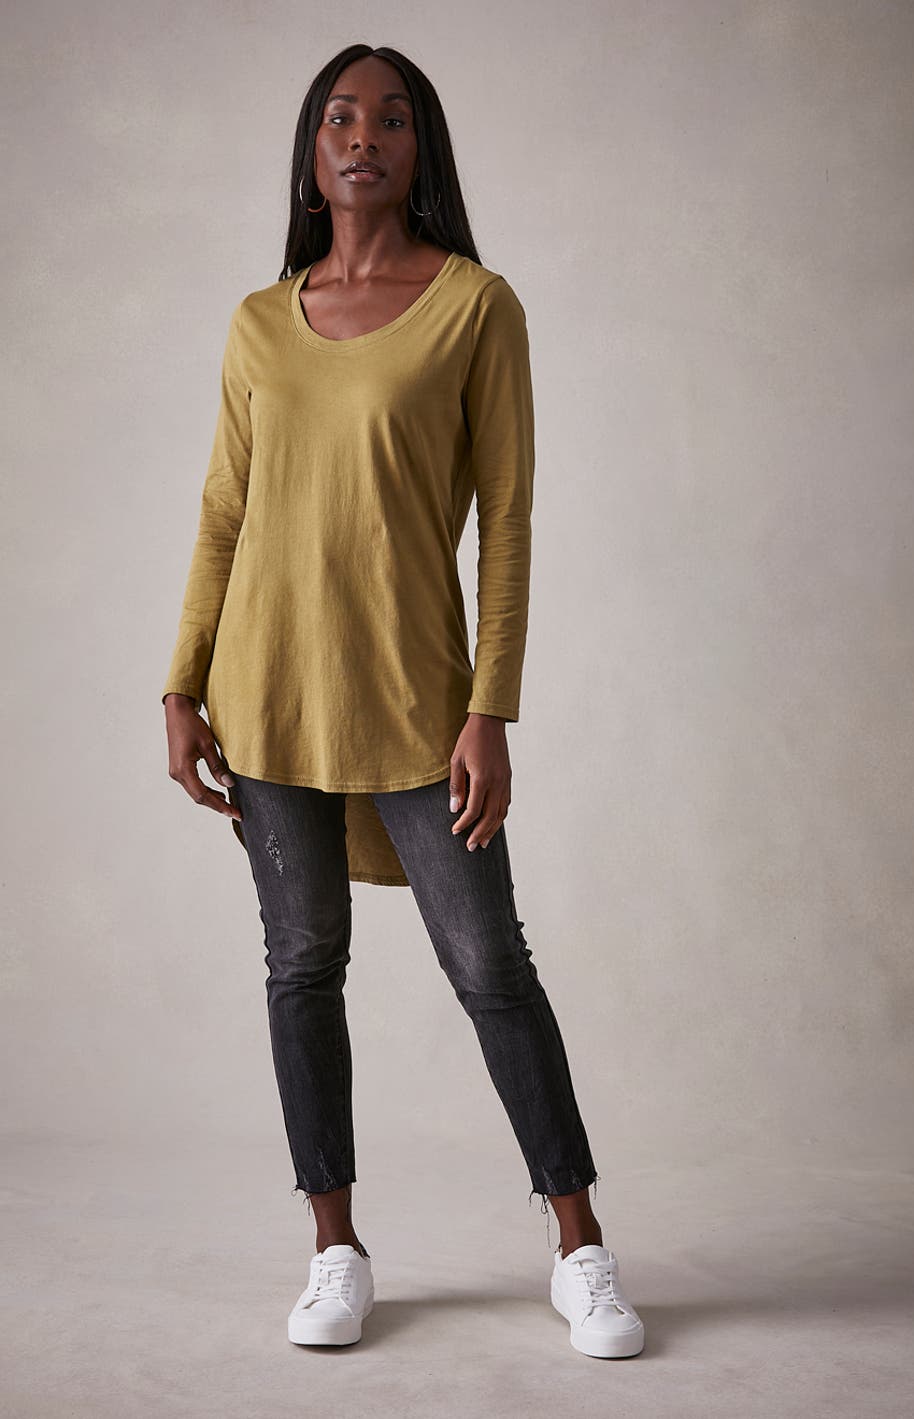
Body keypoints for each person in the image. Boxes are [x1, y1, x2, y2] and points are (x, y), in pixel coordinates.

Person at [161, 43, 643, 1359]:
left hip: (421, 702)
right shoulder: (259, 322)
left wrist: (491, 708)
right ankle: (335, 1249)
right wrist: (182, 681)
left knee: (490, 966)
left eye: (388, 118)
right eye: (338, 117)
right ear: (312, 154)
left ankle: (580, 1247)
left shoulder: (478, 306)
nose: (362, 135)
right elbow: (223, 513)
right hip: (266, 698)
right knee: (301, 966)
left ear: (419, 147)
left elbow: (509, 520)